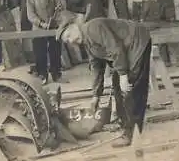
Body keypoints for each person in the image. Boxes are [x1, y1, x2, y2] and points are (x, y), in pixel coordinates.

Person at [56, 11, 152, 148]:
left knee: (132, 88)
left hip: (137, 41)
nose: (71, 41)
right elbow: (96, 67)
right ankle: (125, 126)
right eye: (67, 41)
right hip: (124, 50)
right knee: (117, 88)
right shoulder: (86, 41)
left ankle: (132, 134)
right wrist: (96, 95)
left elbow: (116, 49)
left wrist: (124, 76)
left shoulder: (93, 28)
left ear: (74, 26)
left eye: (69, 36)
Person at [26, 0, 66, 85]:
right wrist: (42, 24)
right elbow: (31, 15)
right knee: (40, 53)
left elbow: (60, 8)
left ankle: (56, 75)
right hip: (38, 29)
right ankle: (42, 75)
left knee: (55, 51)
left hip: (53, 28)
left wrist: (58, 12)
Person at [140, 0, 171, 67]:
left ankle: (166, 62)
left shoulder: (162, 3)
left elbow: (166, 15)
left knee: (163, 43)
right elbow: (143, 17)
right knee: (152, 44)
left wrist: (166, 21)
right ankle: (151, 64)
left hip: (161, 25)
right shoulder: (148, 3)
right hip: (151, 26)